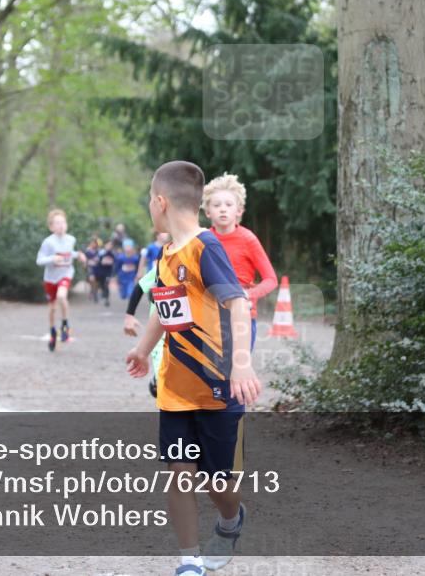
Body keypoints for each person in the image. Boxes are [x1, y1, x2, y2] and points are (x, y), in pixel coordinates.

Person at [125, 160, 261, 576]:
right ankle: (189, 559)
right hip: (175, 390)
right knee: (179, 475)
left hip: (218, 386)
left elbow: (237, 302)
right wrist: (143, 349)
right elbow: (164, 310)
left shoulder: (207, 247)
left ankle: (229, 519)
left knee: (218, 485)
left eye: (150, 202)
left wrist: (241, 366)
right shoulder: (166, 254)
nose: (150, 208)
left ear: (161, 202)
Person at [203, 173, 278, 348]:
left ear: (239, 211)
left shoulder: (248, 239)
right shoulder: (202, 240)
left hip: (242, 316)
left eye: (229, 204)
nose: (223, 209)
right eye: (216, 205)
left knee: (238, 370)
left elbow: (271, 279)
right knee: (211, 373)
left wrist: (248, 295)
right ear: (207, 212)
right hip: (209, 317)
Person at [35, 209, 86, 351]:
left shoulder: (71, 239)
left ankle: (65, 325)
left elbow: (69, 254)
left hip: (66, 274)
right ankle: (52, 331)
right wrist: (52, 259)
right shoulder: (48, 242)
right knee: (52, 308)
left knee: (62, 296)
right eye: (57, 223)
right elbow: (39, 260)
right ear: (51, 227)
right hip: (51, 278)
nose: (61, 225)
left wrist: (79, 255)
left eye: (63, 222)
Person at [123, 264, 165, 397]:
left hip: (187, 332)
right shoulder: (166, 261)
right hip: (159, 334)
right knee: (161, 384)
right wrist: (129, 316)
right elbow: (140, 286)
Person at [94, 238, 116, 307]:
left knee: (106, 284)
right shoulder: (101, 252)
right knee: (101, 284)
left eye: (110, 245)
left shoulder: (113, 253)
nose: (109, 246)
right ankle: (98, 294)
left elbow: (115, 262)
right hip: (100, 272)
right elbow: (97, 261)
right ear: (105, 245)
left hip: (108, 272)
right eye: (108, 245)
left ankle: (106, 299)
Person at [83, 238, 101, 303]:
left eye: (94, 243)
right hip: (90, 268)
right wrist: (85, 264)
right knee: (91, 279)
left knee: (96, 281)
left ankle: (94, 291)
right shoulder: (87, 251)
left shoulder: (98, 251)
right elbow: (84, 260)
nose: (93, 244)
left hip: (97, 268)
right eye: (92, 243)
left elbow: (100, 259)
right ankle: (94, 292)